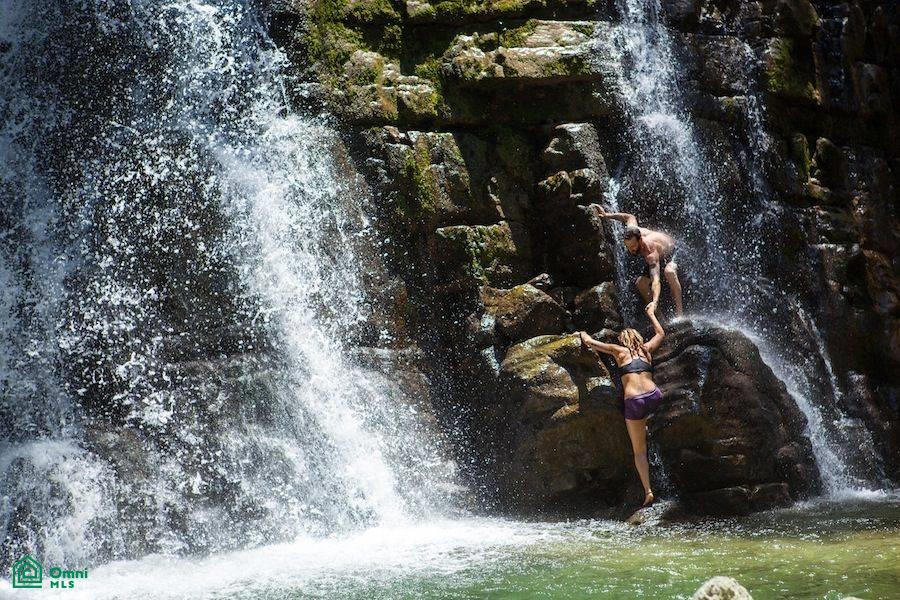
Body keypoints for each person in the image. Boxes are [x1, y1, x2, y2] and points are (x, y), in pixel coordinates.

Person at [579, 304, 666, 507]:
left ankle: (648, 491)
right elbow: (661, 333)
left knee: (639, 452)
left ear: (623, 341)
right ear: (638, 339)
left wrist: (582, 332)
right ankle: (650, 422)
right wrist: (651, 314)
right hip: (654, 396)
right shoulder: (647, 350)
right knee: (650, 420)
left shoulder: (618, 351)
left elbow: (590, 342)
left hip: (635, 401)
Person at [585, 204, 683, 317]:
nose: (631, 250)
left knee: (669, 272)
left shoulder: (650, 253)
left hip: (673, 252)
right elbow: (629, 217)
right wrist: (607, 215)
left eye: (633, 247)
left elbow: (656, 280)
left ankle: (679, 315)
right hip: (660, 255)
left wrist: (655, 300)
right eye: (628, 247)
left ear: (640, 240)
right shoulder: (633, 230)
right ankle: (659, 317)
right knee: (641, 283)